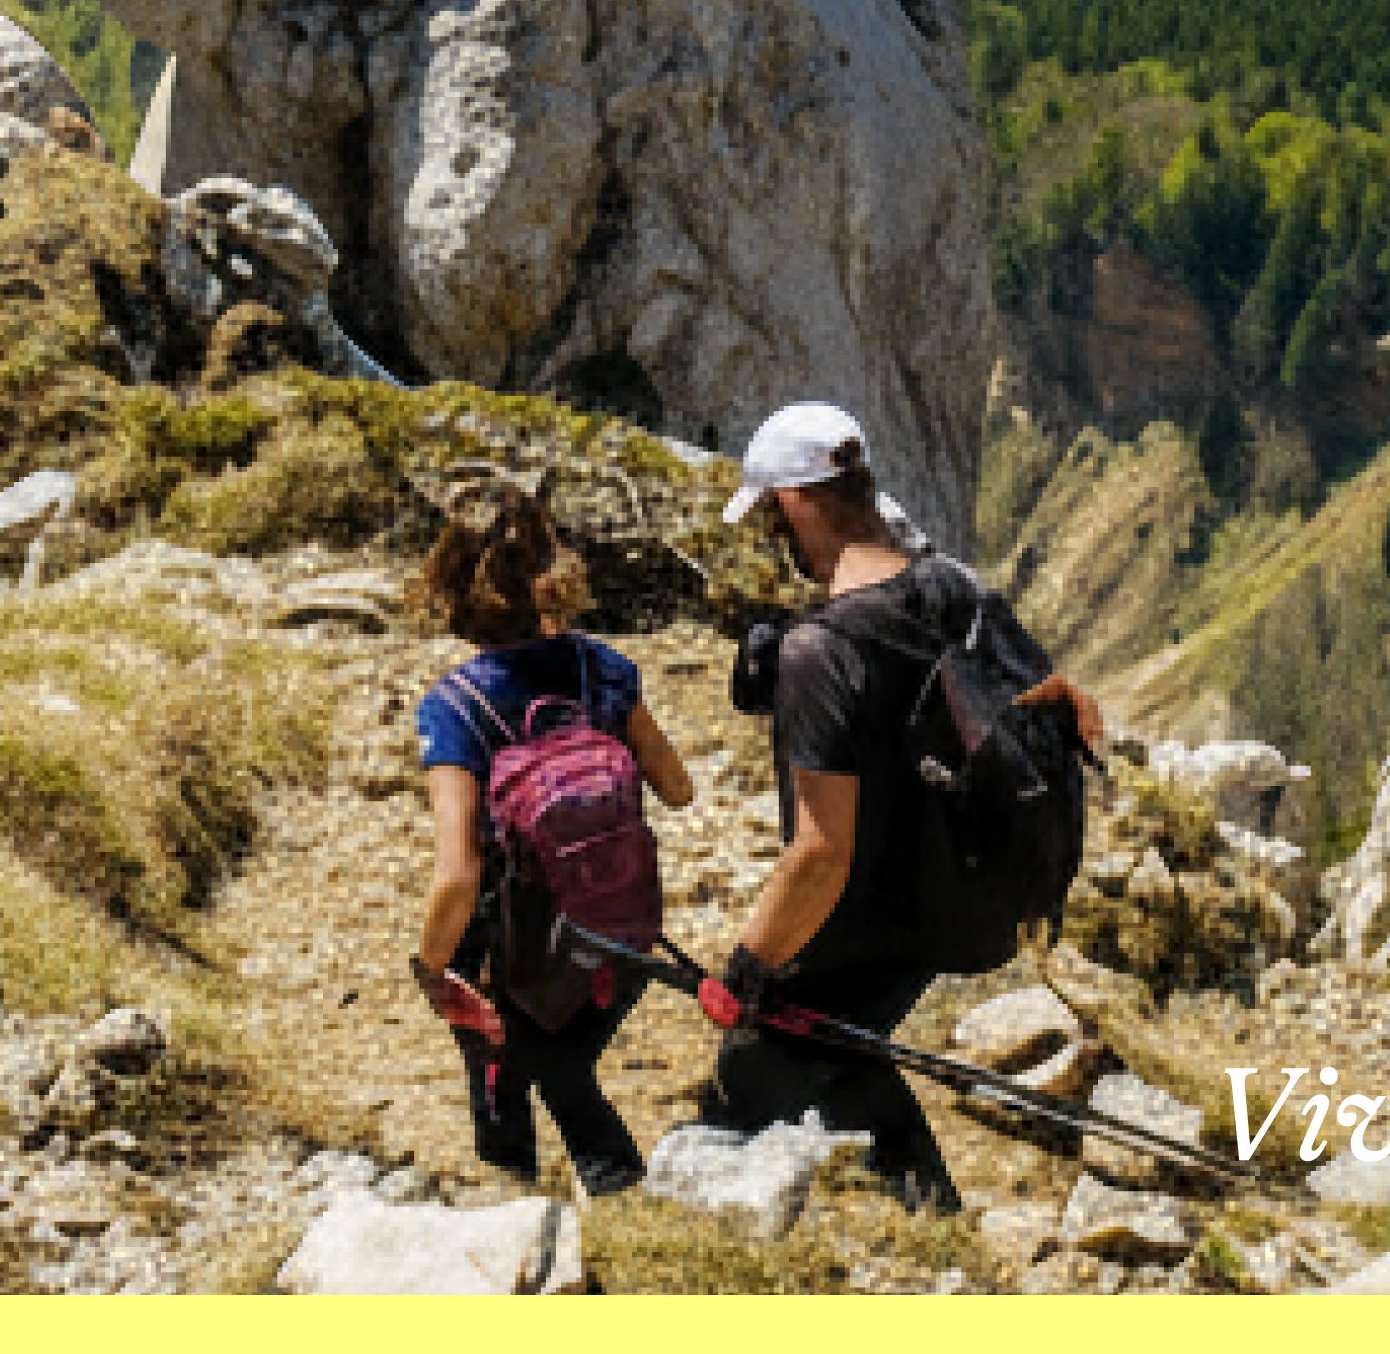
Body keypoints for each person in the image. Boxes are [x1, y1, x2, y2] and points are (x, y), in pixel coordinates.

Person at [696, 401, 1091, 1211]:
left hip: (895, 904)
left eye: (771, 513)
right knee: (836, 1038)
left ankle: (920, 1221)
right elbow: (1046, 705)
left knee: (759, 1061)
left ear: (799, 502)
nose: (772, 535)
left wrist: (748, 965)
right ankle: (929, 1209)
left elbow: (819, 854)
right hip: (982, 883)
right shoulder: (950, 583)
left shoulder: (819, 654)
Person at [412, 479, 697, 1201]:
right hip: (618, 933)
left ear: (449, 579)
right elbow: (678, 788)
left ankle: (522, 1214)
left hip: (514, 952)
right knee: (568, 1069)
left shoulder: (456, 707)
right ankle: (618, 1211)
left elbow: (456, 873)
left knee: (505, 1075)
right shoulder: (602, 668)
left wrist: (431, 966)